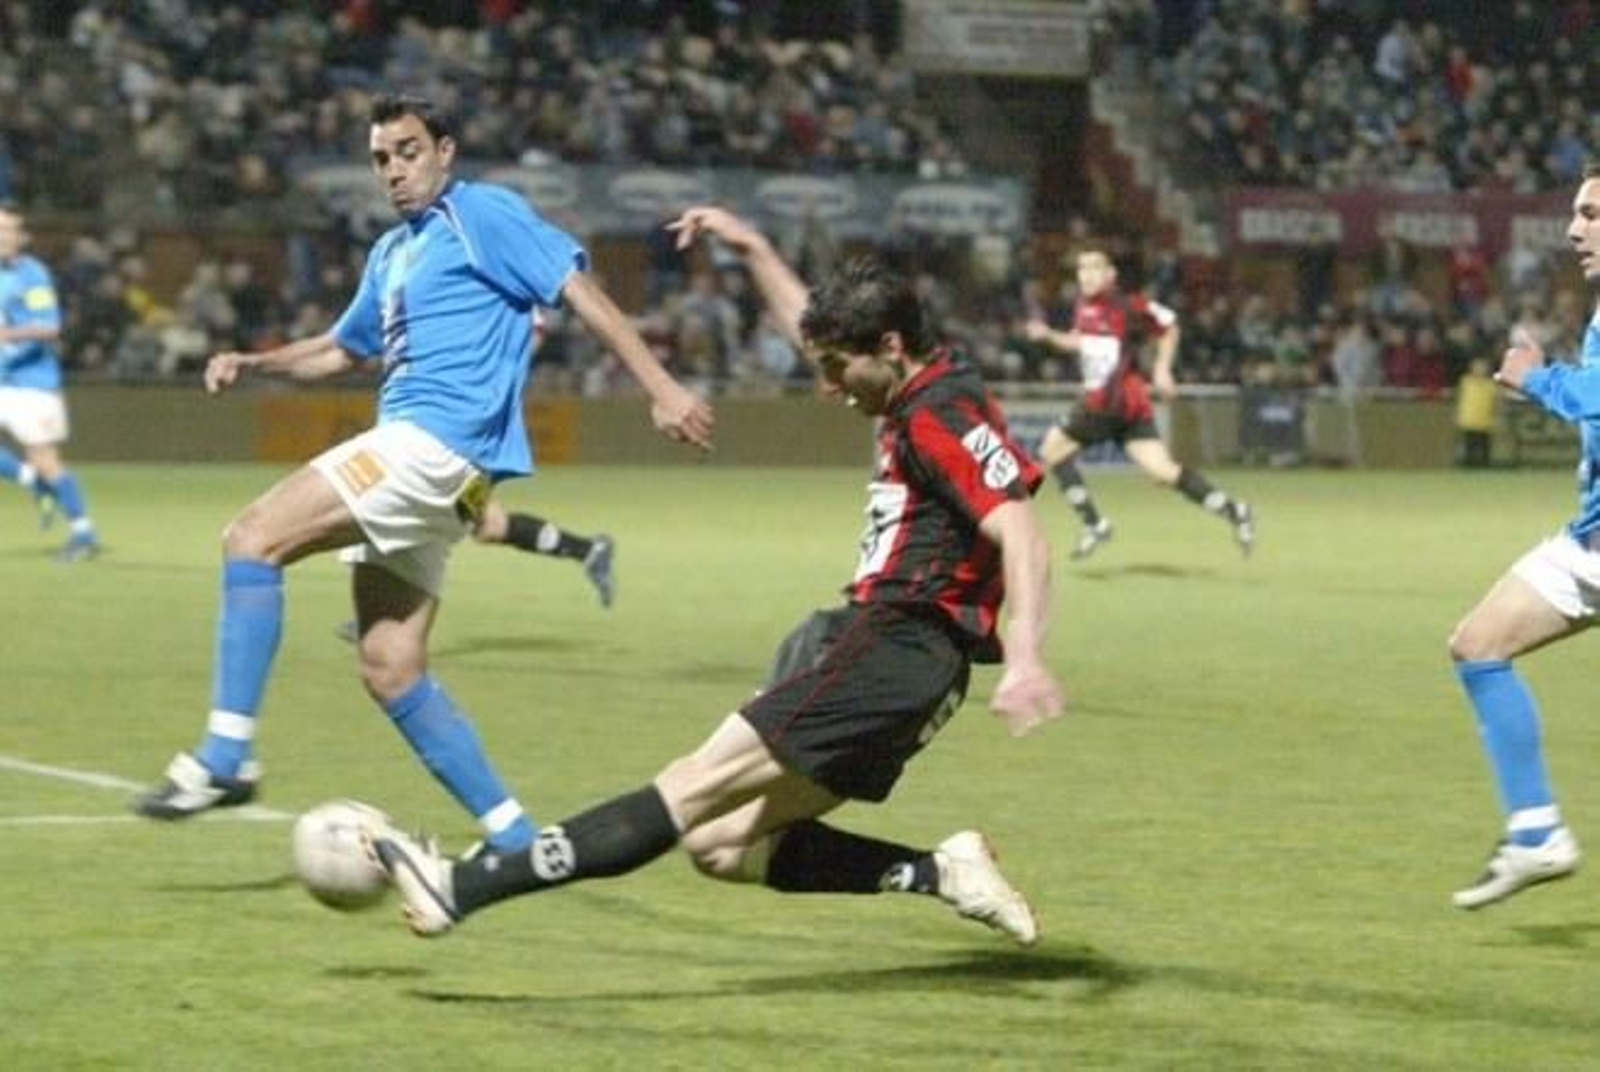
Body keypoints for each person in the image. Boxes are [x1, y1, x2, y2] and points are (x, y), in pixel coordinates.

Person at [363, 206, 1065, 945]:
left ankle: (458, 888)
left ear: (888, 346)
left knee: (685, 789)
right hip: (904, 663)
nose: (827, 385)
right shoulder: (927, 378)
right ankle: (943, 872)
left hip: (892, 648)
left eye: (835, 368)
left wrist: (1024, 659)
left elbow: (1020, 529)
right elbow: (819, 329)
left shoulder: (934, 418)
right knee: (722, 844)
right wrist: (755, 247)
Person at [131, 94, 713, 859]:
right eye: (380, 158)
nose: (395, 170)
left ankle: (224, 756)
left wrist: (661, 387)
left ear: (445, 150)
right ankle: (513, 836)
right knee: (390, 666)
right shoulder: (390, 253)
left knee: (252, 537)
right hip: (439, 471)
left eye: (408, 150)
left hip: (430, 445)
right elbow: (343, 349)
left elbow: (581, 292)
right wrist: (255, 361)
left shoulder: (483, 214)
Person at [1446, 163, 1600, 909]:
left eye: (1593, 214)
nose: (1575, 229)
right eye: (1577, 213)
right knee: (1478, 644)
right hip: (1591, 546)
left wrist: (1536, 376)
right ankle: (1537, 833)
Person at [1024, 249, 1254, 559]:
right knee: (1162, 472)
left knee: (1052, 450)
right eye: (1082, 269)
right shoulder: (1084, 307)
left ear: (1110, 275)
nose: (1087, 275)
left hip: (1108, 400)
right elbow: (1079, 341)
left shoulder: (1127, 305)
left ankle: (1095, 524)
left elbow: (1170, 324)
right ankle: (1235, 511)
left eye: (1095, 269)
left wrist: (1162, 368)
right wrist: (1049, 335)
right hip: (1127, 407)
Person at [335, 500, 615, 642]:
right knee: (488, 526)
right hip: (452, 457)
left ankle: (382, 616)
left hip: (459, 458)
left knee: (426, 520)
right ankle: (589, 550)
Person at [0, 201, 100, 561]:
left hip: (33, 383)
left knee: (45, 457)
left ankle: (83, 531)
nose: (4, 236)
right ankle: (35, 483)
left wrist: (7, 334)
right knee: (38, 466)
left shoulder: (32, 274)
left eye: (10, 230)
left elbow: (49, 327)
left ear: (21, 236)